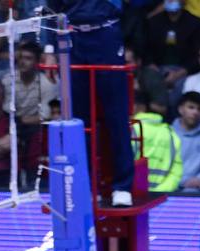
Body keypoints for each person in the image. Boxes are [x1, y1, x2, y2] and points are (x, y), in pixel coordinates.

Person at [45, 0, 137, 206]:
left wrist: (129, 43)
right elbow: (51, 10)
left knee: (116, 117)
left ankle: (122, 187)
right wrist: (50, 50)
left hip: (106, 37)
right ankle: (84, 187)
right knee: (78, 120)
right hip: (72, 40)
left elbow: (129, 9)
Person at [144, 0, 200, 94]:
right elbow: (145, 50)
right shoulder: (153, 22)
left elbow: (199, 54)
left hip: (185, 71)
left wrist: (179, 74)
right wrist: (153, 67)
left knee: (180, 88)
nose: (171, 1)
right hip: (157, 69)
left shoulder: (196, 23)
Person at [132, 91, 182, 192]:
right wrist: (159, 192)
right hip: (161, 196)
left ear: (138, 107)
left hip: (133, 195)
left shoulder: (130, 130)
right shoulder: (171, 134)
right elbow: (176, 172)